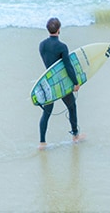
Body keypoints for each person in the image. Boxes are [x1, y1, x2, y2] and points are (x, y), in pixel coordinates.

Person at [38, 17, 84, 149]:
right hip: (61, 85)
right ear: (59, 30)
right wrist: (75, 82)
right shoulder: (62, 47)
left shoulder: (42, 45)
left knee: (46, 114)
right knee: (72, 107)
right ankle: (75, 136)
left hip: (48, 84)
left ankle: (42, 143)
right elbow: (68, 67)